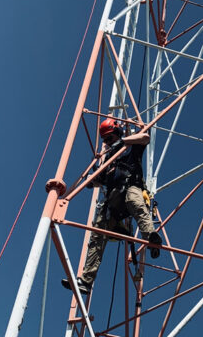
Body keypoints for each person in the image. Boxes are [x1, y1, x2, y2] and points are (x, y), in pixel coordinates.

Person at [62, 118, 162, 295]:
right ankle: (86, 281)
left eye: (110, 138)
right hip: (113, 199)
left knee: (135, 201)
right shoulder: (108, 159)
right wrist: (91, 180)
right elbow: (98, 180)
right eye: (106, 140)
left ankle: (151, 238)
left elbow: (145, 137)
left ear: (118, 133)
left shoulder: (130, 147)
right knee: (97, 234)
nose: (108, 142)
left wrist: (122, 141)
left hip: (131, 187)